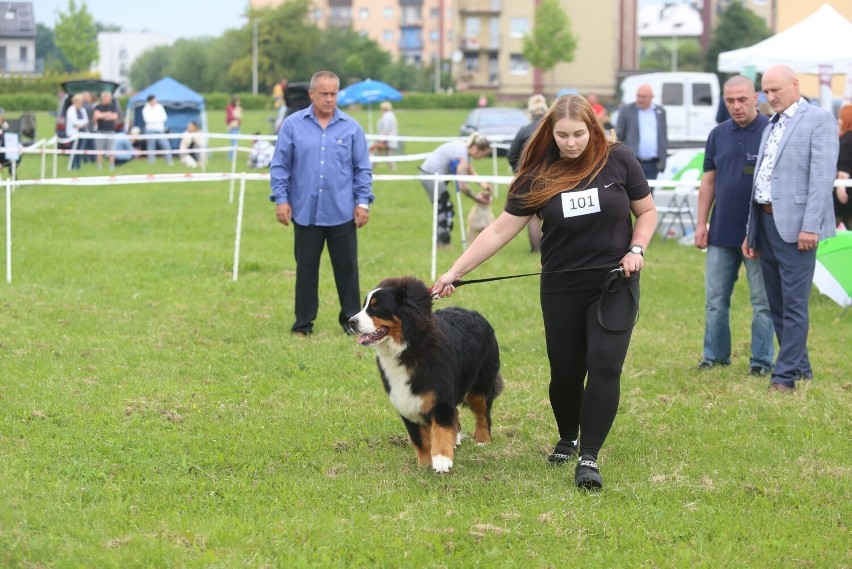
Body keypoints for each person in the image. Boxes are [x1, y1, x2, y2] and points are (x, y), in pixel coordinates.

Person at [431, 94, 657, 490]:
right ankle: (567, 436)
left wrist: (636, 249)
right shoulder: (538, 174)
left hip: (614, 282)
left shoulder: (619, 160)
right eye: (563, 135)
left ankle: (588, 456)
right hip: (561, 286)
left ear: (593, 129)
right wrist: (455, 271)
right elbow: (500, 229)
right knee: (566, 373)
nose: (572, 143)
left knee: (605, 364)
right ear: (550, 134)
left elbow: (647, 211)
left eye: (579, 134)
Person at [742, 64, 839, 392]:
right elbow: (761, 180)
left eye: (775, 91)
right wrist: (751, 230)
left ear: (795, 85)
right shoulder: (772, 123)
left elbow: (822, 177)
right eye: (766, 92)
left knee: (794, 304)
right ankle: (801, 368)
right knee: (778, 302)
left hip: (798, 228)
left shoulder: (820, 120)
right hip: (766, 222)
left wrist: (811, 226)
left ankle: (784, 377)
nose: (769, 97)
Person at [269, 70, 373, 337]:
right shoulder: (292, 125)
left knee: (347, 270)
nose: (329, 99)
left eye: (333, 94)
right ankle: (303, 324)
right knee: (306, 271)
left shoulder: (352, 128)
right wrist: (281, 199)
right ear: (311, 94)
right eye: (324, 94)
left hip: (342, 212)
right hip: (305, 213)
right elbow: (280, 166)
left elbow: (362, 169)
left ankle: (351, 322)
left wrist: (363, 203)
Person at [694, 75, 774, 377]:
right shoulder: (717, 134)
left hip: (759, 233)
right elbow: (709, 181)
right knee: (715, 300)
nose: (736, 106)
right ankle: (714, 356)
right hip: (721, 232)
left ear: (756, 97)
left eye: (742, 99)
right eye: (730, 101)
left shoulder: (771, 130)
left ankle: (761, 362)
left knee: (762, 302)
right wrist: (701, 223)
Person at [418, 134, 492, 248]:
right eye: (482, 154)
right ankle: (442, 244)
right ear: (475, 149)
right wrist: (475, 197)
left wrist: (483, 184)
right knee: (444, 209)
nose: (482, 158)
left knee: (445, 208)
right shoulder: (462, 156)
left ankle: (441, 242)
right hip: (432, 176)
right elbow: (462, 185)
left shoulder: (464, 150)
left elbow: (470, 171)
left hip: (433, 175)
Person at [507, 94, 548, 252]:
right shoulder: (552, 129)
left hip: (528, 177)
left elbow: (512, 155)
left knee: (533, 217)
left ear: (530, 113)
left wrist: (517, 171)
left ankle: (535, 249)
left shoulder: (524, 130)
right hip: (551, 175)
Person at [616, 83, 669, 185]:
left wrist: (662, 162)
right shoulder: (626, 111)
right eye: (638, 96)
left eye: (644, 96)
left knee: (649, 195)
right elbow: (618, 135)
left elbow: (663, 136)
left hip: (653, 164)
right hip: (633, 162)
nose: (640, 99)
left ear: (651, 97)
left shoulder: (660, 112)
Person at [92, 90, 120, 171]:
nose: (109, 99)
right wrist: (108, 114)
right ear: (103, 98)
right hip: (100, 131)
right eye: (108, 97)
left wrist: (102, 115)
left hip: (110, 131)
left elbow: (114, 117)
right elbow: (96, 116)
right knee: (99, 150)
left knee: (111, 149)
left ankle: (111, 166)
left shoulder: (113, 106)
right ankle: (99, 166)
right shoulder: (98, 106)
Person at [834, 104, 852, 229]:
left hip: (845, 190)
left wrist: (840, 187)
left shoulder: (846, 139)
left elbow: (844, 164)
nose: (838, 121)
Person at [142, 95, 173, 165]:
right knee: (151, 146)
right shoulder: (145, 109)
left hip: (160, 129)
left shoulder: (159, 107)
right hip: (150, 130)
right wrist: (157, 118)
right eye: (154, 100)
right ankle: (151, 162)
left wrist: (154, 119)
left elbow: (164, 117)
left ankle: (169, 161)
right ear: (150, 101)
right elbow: (147, 120)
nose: (155, 101)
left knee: (166, 145)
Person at [371, 101, 399, 172]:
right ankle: (393, 170)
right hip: (390, 139)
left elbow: (385, 129)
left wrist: (380, 139)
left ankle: (370, 169)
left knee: (377, 154)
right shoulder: (391, 115)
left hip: (385, 140)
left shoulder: (386, 116)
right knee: (389, 156)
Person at [64, 93, 89, 170]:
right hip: (73, 134)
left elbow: (86, 121)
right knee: (74, 150)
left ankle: (78, 166)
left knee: (80, 150)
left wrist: (81, 124)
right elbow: (74, 122)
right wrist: (82, 123)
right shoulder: (70, 110)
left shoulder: (83, 110)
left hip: (83, 133)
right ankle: (72, 165)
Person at [226, 96, 242, 161]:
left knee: (235, 143)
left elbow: (240, 118)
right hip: (232, 127)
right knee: (233, 143)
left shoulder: (238, 108)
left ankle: (232, 157)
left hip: (237, 127)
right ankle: (230, 157)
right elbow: (230, 118)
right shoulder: (230, 108)